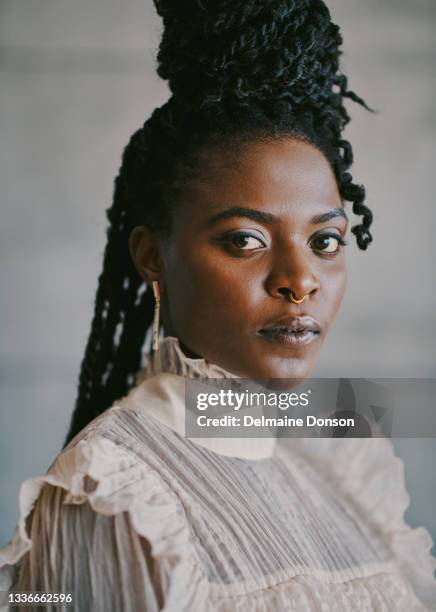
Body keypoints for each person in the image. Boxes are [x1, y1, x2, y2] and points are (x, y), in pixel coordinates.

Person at [1, 0, 436, 610]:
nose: (299, 281)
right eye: (245, 240)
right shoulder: (112, 495)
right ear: (152, 255)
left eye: (326, 241)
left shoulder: (334, 454)